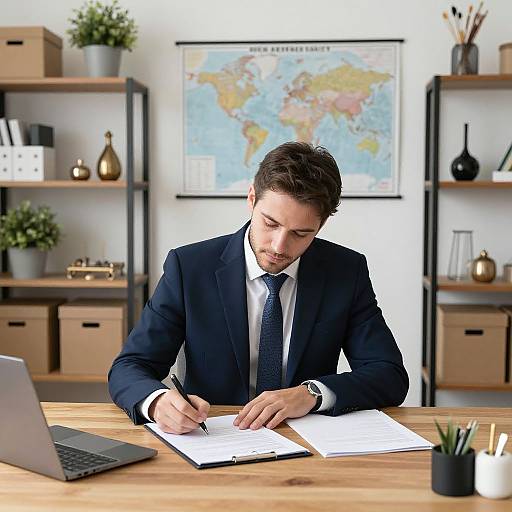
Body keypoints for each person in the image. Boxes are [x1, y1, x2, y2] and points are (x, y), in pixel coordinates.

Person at [108, 141, 408, 435]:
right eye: (270, 223)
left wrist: (312, 394)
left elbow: (389, 375)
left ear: (321, 225)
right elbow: (130, 366)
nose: (280, 246)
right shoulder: (189, 267)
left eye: (301, 233)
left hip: (306, 443)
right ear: (252, 198)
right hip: (211, 436)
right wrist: (157, 402)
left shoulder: (345, 271)